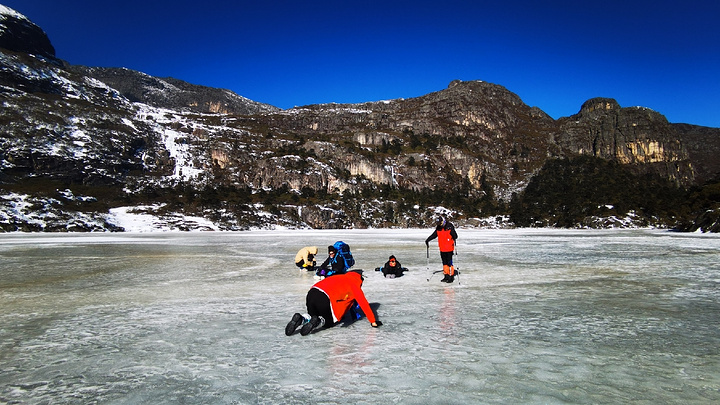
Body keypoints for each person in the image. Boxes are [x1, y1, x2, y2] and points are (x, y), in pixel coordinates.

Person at [285, 270, 382, 336]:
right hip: (325, 298)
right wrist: (373, 321)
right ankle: (319, 321)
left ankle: (301, 319)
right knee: (327, 322)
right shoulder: (354, 284)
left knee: (311, 315)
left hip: (312, 292)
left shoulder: (339, 277)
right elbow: (363, 303)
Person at [425, 216, 458, 283]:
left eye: (440, 223)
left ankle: (451, 276)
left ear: (443, 221)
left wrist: (452, 233)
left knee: (449, 262)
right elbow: (434, 235)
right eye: (438, 223)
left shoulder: (449, 226)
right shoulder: (438, 228)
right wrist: (428, 240)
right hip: (442, 248)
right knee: (444, 262)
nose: (439, 225)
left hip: (449, 248)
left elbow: (455, 236)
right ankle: (446, 275)